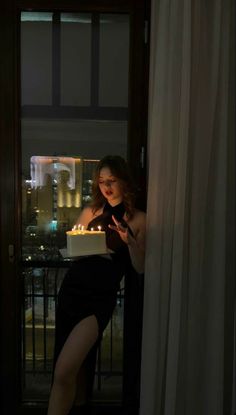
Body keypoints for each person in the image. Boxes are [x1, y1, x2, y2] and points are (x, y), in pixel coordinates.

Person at [47, 155, 146, 415]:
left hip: (99, 299)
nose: (106, 186)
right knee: (72, 370)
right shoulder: (91, 212)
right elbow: (75, 250)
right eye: (102, 181)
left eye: (112, 180)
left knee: (64, 370)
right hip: (72, 291)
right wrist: (87, 247)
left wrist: (131, 243)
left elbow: (139, 267)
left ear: (124, 181)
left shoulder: (138, 219)